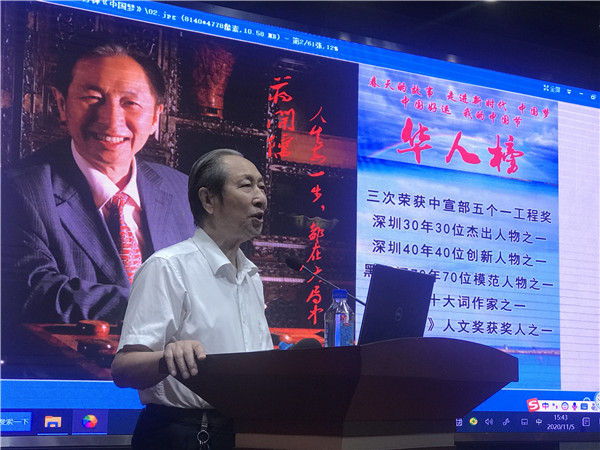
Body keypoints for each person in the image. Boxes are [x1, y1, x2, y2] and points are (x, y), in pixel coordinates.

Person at [1, 39, 195, 327]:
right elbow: (35, 291)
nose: (111, 120)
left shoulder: (185, 192)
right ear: (62, 105)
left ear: (156, 117)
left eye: (130, 103)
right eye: (92, 98)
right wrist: (161, 306)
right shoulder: (16, 190)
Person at [111, 148, 272, 449]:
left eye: (262, 187)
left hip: (244, 433)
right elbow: (123, 369)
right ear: (208, 199)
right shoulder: (168, 267)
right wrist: (166, 358)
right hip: (183, 434)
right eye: (246, 185)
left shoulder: (251, 276)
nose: (260, 198)